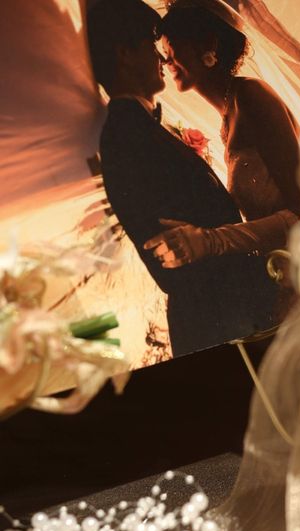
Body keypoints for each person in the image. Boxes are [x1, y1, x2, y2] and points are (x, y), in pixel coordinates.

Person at [87, 0, 283, 357]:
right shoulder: (126, 134)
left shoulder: (142, 128)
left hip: (238, 307)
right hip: (221, 319)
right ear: (125, 55)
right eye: (151, 47)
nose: (161, 59)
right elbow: (172, 258)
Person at [144, 0, 300, 271]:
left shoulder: (252, 96)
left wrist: (211, 241)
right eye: (164, 53)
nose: (166, 61)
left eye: (172, 49)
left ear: (209, 45)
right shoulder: (228, 117)